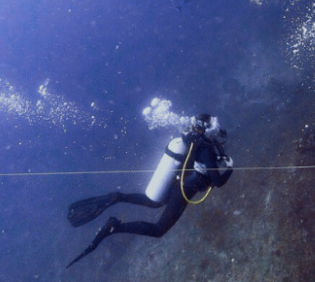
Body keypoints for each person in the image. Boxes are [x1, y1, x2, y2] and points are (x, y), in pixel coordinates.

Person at [66, 114, 233, 268]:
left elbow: (202, 163)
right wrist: (230, 169)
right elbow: (218, 182)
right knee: (158, 229)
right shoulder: (207, 149)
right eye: (214, 125)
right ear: (207, 129)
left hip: (179, 183)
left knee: (155, 202)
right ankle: (114, 227)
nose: (217, 128)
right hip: (184, 190)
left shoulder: (194, 142)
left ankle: (119, 197)